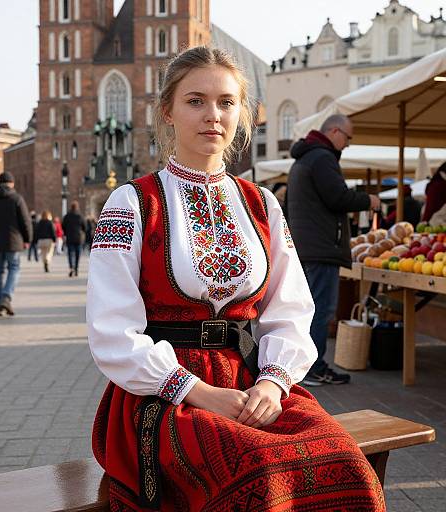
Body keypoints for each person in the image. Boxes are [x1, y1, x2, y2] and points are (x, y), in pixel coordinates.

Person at [87, 47, 384, 511]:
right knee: (260, 472)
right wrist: (199, 392)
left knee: (344, 462)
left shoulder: (262, 203)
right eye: (195, 101)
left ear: (241, 112)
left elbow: (290, 308)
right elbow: (112, 332)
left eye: (226, 102)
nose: (213, 115)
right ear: (167, 110)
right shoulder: (132, 203)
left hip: (251, 379)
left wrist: (273, 382)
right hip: (166, 392)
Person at [286, 115, 381, 387]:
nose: (348, 145)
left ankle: (304, 366)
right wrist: (368, 199)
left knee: (308, 309)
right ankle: (314, 368)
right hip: (322, 247)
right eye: (348, 138)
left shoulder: (304, 158)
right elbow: (337, 196)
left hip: (307, 246)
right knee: (320, 310)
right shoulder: (322, 158)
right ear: (335, 131)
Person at [0, 171, 32, 316]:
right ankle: (6, 297)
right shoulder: (17, 198)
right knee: (14, 268)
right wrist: (28, 238)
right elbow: (25, 221)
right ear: (12, 183)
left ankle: (0, 303)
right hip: (13, 242)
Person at [62, 201, 85, 277]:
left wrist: (66, 233)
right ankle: (76, 268)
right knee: (78, 254)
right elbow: (84, 227)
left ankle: (71, 266)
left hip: (69, 237)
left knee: (70, 253)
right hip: (78, 238)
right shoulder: (80, 216)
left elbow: (63, 226)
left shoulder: (67, 216)